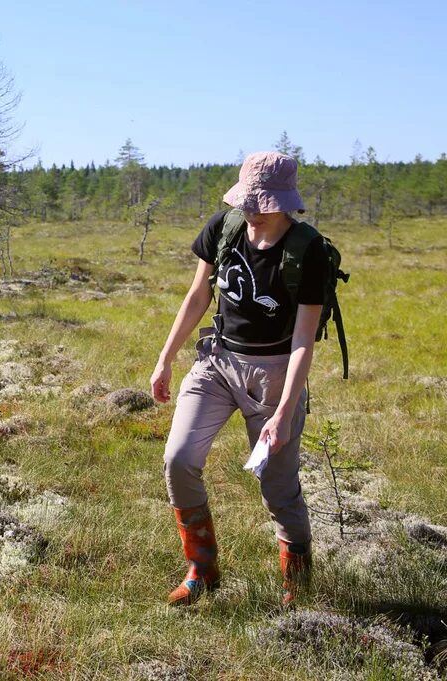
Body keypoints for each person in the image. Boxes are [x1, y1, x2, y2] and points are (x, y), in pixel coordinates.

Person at [150, 151, 328, 607]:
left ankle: (297, 591)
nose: (250, 209)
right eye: (246, 198)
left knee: (279, 488)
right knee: (178, 459)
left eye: (260, 202)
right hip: (217, 363)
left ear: (284, 203)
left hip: (274, 376)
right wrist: (166, 357)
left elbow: (304, 341)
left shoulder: (310, 252)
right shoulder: (224, 228)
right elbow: (198, 294)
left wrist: (285, 413)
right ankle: (202, 569)